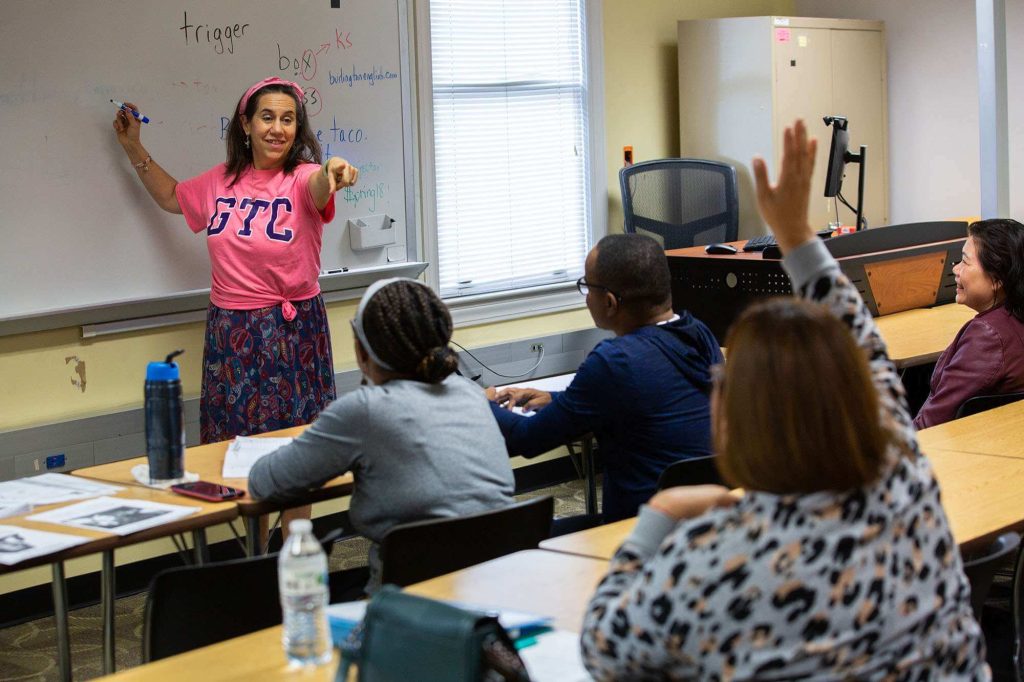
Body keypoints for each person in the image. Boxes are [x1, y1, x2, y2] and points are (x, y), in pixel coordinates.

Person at [580, 120, 988, 679]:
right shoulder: (903, 479)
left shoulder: (712, 558)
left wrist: (656, 518)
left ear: (733, 418)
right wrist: (796, 236)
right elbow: (861, 345)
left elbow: (606, 649)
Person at [112, 76, 359, 445]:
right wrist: (133, 146)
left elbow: (321, 183)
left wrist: (334, 167)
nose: (278, 129)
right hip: (231, 332)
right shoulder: (221, 181)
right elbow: (170, 197)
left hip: (293, 331)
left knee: (297, 450)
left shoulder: (303, 177)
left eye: (288, 120)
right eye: (267, 117)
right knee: (233, 448)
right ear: (246, 123)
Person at [248, 278, 516, 593]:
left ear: (362, 349)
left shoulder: (365, 410)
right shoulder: (470, 392)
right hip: (499, 588)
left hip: (406, 606)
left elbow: (263, 482)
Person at [488, 234, 722, 524]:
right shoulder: (700, 335)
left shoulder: (615, 360)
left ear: (610, 302)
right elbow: (650, 399)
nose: (586, 297)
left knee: (519, 540)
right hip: (706, 520)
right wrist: (557, 399)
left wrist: (479, 403)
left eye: (587, 286)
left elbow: (527, 440)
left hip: (635, 533)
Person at [913, 219, 1024, 429]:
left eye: (965, 262)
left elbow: (930, 424)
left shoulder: (987, 336)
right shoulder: (1012, 319)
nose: (955, 269)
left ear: (997, 279)